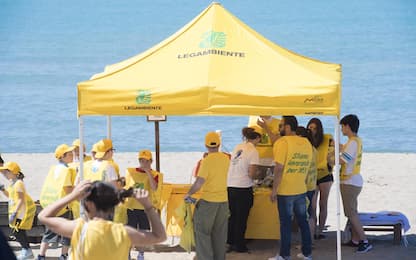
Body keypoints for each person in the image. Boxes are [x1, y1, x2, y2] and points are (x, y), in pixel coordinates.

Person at [37, 180, 167, 260]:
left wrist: (72, 196)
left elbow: (43, 216)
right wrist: (148, 206)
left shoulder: (80, 228)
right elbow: (160, 236)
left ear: (89, 204)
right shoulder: (123, 232)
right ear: (114, 204)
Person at [269, 116, 313, 260]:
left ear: (288, 127)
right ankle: (307, 253)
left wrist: (274, 190)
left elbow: (279, 168)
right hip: (301, 188)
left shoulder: (283, 142)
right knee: (303, 222)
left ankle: (284, 255)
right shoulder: (306, 142)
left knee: (286, 224)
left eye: (281, 125)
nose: (279, 128)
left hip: (285, 190)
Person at [184, 132, 231, 260]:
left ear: (206, 145)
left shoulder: (207, 161)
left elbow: (199, 182)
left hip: (209, 202)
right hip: (224, 201)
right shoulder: (226, 159)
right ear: (219, 144)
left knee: (202, 234)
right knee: (219, 235)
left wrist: (189, 193)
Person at [339, 114, 372, 253]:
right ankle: (355, 239)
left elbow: (343, 160)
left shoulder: (352, 143)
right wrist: (338, 147)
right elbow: (346, 152)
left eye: (342, 126)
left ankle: (364, 241)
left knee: (351, 213)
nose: (341, 129)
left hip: (350, 182)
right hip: (353, 181)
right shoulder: (355, 141)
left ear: (348, 126)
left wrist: (331, 158)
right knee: (353, 211)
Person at [227, 126, 261, 253]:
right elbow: (252, 173)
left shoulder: (238, 147)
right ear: (257, 138)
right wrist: (259, 175)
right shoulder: (253, 151)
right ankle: (239, 245)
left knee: (233, 216)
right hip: (243, 187)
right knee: (242, 218)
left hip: (231, 185)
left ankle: (230, 242)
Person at [38, 144, 75, 260]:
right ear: (62, 156)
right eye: (69, 154)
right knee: (66, 231)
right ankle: (63, 255)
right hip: (63, 205)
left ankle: (41, 255)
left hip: (50, 204)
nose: (72, 156)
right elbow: (68, 188)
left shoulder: (53, 168)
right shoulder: (67, 170)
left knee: (49, 231)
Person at [124, 149, 162, 260]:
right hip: (131, 207)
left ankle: (141, 254)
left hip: (144, 208)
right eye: (142, 160)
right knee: (130, 232)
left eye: (147, 161)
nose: (144, 163)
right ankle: (128, 254)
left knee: (143, 233)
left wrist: (148, 172)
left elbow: (154, 187)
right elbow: (126, 185)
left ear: (151, 161)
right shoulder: (131, 172)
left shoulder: (154, 174)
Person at [0, 162, 36, 260]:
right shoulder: (13, 184)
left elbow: (21, 199)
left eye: (6, 173)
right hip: (15, 211)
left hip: (20, 212)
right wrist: (3, 190)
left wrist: (15, 213)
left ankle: (27, 250)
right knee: (17, 232)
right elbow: (10, 196)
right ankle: (26, 250)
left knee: (17, 232)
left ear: (13, 172)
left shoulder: (19, 183)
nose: (4, 175)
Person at [306, 118, 334, 239]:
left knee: (323, 203)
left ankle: (320, 231)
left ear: (319, 129)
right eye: (310, 128)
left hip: (325, 176)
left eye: (314, 128)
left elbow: (332, 154)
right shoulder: (306, 140)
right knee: (312, 206)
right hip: (312, 176)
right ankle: (313, 231)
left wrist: (329, 161)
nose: (312, 130)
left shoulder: (327, 138)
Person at [296, 126, 318, 243]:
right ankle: (310, 240)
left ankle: (307, 242)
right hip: (312, 184)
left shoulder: (305, 149)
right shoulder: (313, 148)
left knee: (305, 216)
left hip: (304, 185)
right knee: (310, 213)